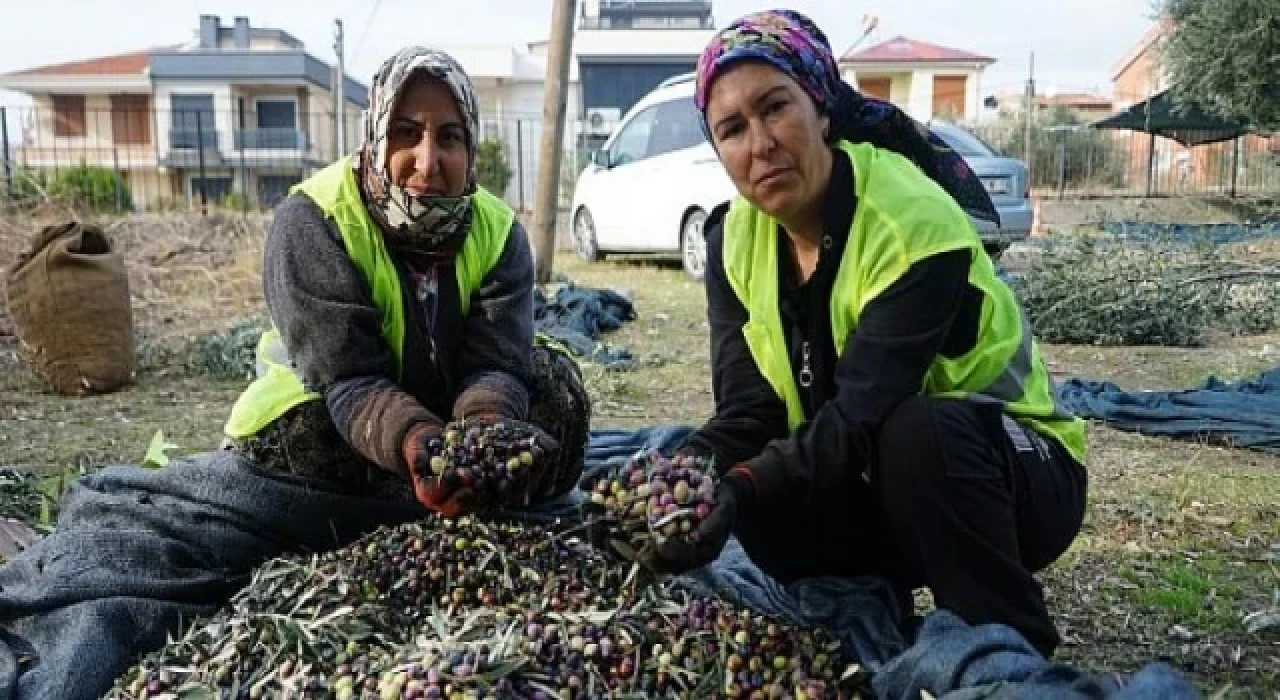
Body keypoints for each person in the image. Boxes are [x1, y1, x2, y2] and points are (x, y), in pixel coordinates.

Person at [648, 10, 1088, 659]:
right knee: (762, 491)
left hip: (1013, 471)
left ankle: (1006, 647)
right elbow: (750, 410)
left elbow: (860, 417)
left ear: (822, 109)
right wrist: (679, 476)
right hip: (881, 480)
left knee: (913, 439)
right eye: (732, 129)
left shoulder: (910, 222)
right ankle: (870, 595)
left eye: (776, 108)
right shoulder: (733, 241)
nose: (760, 143)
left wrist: (735, 486)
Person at [222, 46, 591, 511]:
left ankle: (452, 487)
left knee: (557, 396)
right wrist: (417, 443)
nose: (427, 160)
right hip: (345, 404)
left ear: (470, 148)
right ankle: (409, 489)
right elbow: (348, 377)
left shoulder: (498, 232)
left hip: (449, 405)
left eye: (449, 137)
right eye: (406, 133)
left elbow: (497, 361)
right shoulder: (314, 220)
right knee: (304, 436)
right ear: (375, 138)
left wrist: (485, 432)